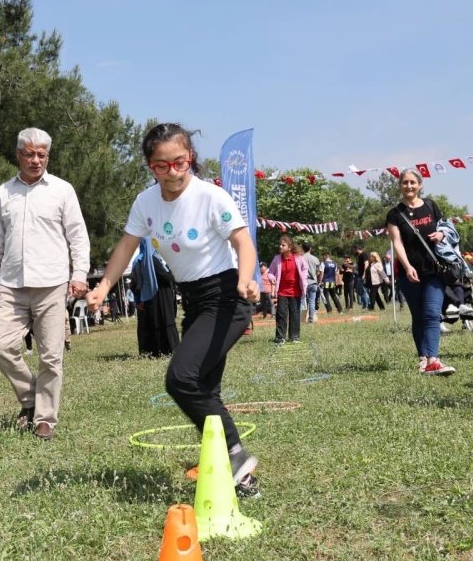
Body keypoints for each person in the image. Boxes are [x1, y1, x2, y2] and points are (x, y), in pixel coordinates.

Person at [85, 122, 261, 498]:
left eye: (179, 162)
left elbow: (243, 242)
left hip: (227, 298)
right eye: (161, 166)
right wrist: (103, 286)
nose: (172, 173)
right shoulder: (145, 202)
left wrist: (246, 279)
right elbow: (126, 246)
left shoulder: (211, 196)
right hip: (194, 301)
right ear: (151, 166)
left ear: (190, 158)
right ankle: (240, 479)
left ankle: (235, 454)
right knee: (205, 388)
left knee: (181, 379)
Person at [0, 127, 90, 440]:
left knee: (51, 356)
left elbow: (78, 236)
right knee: (1, 347)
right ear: (18, 155)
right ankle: (31, 398)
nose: (35, 160)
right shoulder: (4, 193)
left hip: (52, 283)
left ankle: (45, 419)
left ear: (48, 157)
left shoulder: (62, 190)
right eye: (29, 154)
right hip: (11, 284)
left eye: (41, 154)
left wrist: (80, 274)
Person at [386, 168, 456, 376]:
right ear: (400, 186)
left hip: (434, 270)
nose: (409, 186)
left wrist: (441, 235)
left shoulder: (431, 206)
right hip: (409, 273)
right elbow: (397, 243)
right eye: (405, 182)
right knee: (418, 316)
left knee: (432, 314)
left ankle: (434, 359)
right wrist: (407, 267)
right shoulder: (395, 214)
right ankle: (423, 358)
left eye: (412, 182)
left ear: (420, 185)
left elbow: (445, 227)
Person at [131, 238, 180, 357]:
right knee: (165, 321)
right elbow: (166, 276)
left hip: (147, 297)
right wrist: (173, 272)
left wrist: (138, 298)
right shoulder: (154, 260)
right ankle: (170, 349)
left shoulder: (139, 260)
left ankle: (151, 351)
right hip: (161, 296)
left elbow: (134, 283)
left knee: (151, 325)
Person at [268, 236, 307, 344]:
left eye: (283, 245)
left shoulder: (298, 258)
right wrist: (272, 278)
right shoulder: (277, 259)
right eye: (280, 244)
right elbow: (270, 272)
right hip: (282, 292)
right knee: (281, 314)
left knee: (295, 315)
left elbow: (305, 268)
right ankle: (280, 337)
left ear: (289, 247)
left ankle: (294, 337)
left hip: (296, 291)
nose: (280, 246)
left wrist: (304, 279)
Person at [301, 242, 320, 323]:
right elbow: (318, 271)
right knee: (312, 301)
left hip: (303, 282)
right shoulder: (315, 259)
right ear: (310, 248)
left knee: (302, 301)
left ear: (302, 249)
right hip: (313, 282)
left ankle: (301, 319)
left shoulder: (300, 258)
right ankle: (311, 319)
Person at [353, 244, 372, 309]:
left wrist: (364, 274)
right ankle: (365, 303)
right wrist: (350, 266)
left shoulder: (364, 254)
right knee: (359, 290)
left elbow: (366, 264)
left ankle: (367, 304)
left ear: (357, 249)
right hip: (360, 275)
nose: (354, 251)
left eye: (354, 250)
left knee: (363, 290)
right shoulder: (359, 256)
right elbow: (358, 266)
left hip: (363, 275)